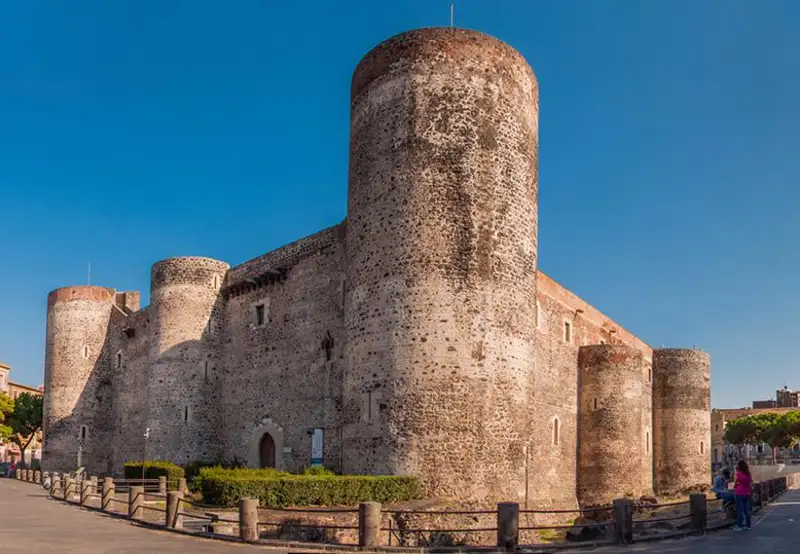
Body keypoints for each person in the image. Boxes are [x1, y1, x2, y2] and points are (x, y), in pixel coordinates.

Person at [733, 460, 752, 530]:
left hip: (739, 493)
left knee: (740, 511)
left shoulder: (739, 474)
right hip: (747, 494)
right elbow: (749, 483)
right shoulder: (748, 474)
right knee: (747, 510)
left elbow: (735, 485)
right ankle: (748, 525)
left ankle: (739, 526)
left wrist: (736, 486)